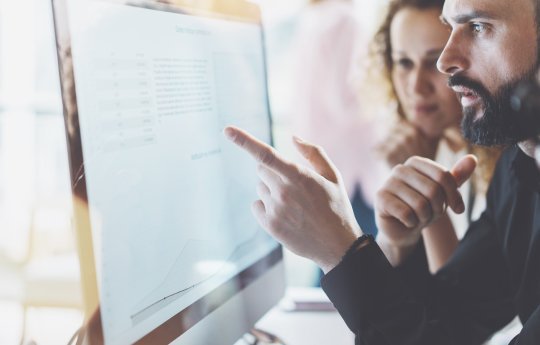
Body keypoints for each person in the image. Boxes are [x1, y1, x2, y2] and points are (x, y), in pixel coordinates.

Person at [223, 0, 540, 343]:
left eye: (478, 27)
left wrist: (341, 253)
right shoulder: (519, 169)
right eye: (452, 28)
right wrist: (396, 246)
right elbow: (445, 326)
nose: (445, 62)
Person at [368, 0, 501, 273]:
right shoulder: (424, 144)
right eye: (404, 62)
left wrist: (429, 203)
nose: (416, 86)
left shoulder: (509, 161)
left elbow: (460, 300)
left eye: (434, 63)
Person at [288, 0, 379, 235]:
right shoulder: (345, 21)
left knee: (332, 252)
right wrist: (387, 99)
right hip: (351, 170)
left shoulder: (310, 22)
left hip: (322, 163)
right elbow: (345, 101)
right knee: (360, 254)